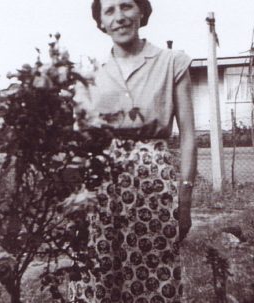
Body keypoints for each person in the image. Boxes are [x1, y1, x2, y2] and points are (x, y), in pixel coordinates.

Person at [69, 0, 197, 302]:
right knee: (99, 274)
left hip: (154, 185)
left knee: (153, 273)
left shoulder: (171, 62)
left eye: (126, 6)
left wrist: (185, 198)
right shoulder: (90, 74)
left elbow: (189, 135)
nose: (119, 17)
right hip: (101, 184)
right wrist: (76, 200)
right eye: (109, 11)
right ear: (100, 22)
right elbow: (81, 142)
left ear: (142, 11)